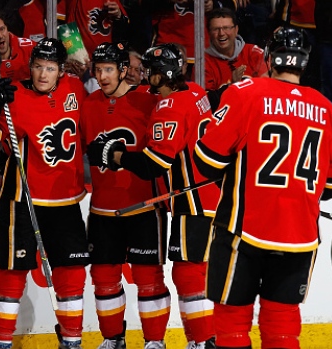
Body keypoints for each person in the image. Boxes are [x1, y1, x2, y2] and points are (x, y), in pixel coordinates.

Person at [192, 27, 332, 349]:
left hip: (243, 230)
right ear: (305, 63)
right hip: (300, 238)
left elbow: (206, 160)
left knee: (232, 325)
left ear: (268, 56)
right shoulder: (328, 109)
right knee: (282, 325)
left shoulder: (244, 92)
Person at [86, 43, 218, 349]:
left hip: (193, 199)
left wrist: (114, 155)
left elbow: (152, 166)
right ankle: (203, 339)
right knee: (195, 272)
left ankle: (202, 341)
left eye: (152, 72)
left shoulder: (168, 107)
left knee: (188, 274)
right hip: (209, 193)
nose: (147, 77)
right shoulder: (196, 92)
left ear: (165, 74)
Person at [0, 38, 89, 349]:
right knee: (11, 272)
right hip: (21, 198)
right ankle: (0, 343)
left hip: (66, 199)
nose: (42, 74)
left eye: (50, 68)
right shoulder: (13, 96)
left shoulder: (75, 89)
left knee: (73, 271)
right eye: (38, 66)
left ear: (60, 71)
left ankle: (72, 340)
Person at [80, 41, 170, 349]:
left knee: (149, 279)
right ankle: (112, 340)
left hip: (144, 205)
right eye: (98, 70)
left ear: (123, 70)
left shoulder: (149, 100)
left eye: (108, 69)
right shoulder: (88, 103)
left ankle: (155, 342)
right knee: (104, 279)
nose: (102, 76)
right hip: (103, 209)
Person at [204, 8, 267, 111]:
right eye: (216, 29)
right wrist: (231, 85)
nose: (221, 33)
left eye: (226, 28)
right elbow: (205, 103)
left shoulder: (253, 53)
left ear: (236, 30)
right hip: (223, 120)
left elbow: (270, 86)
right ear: (209, 32)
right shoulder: (204, 63)